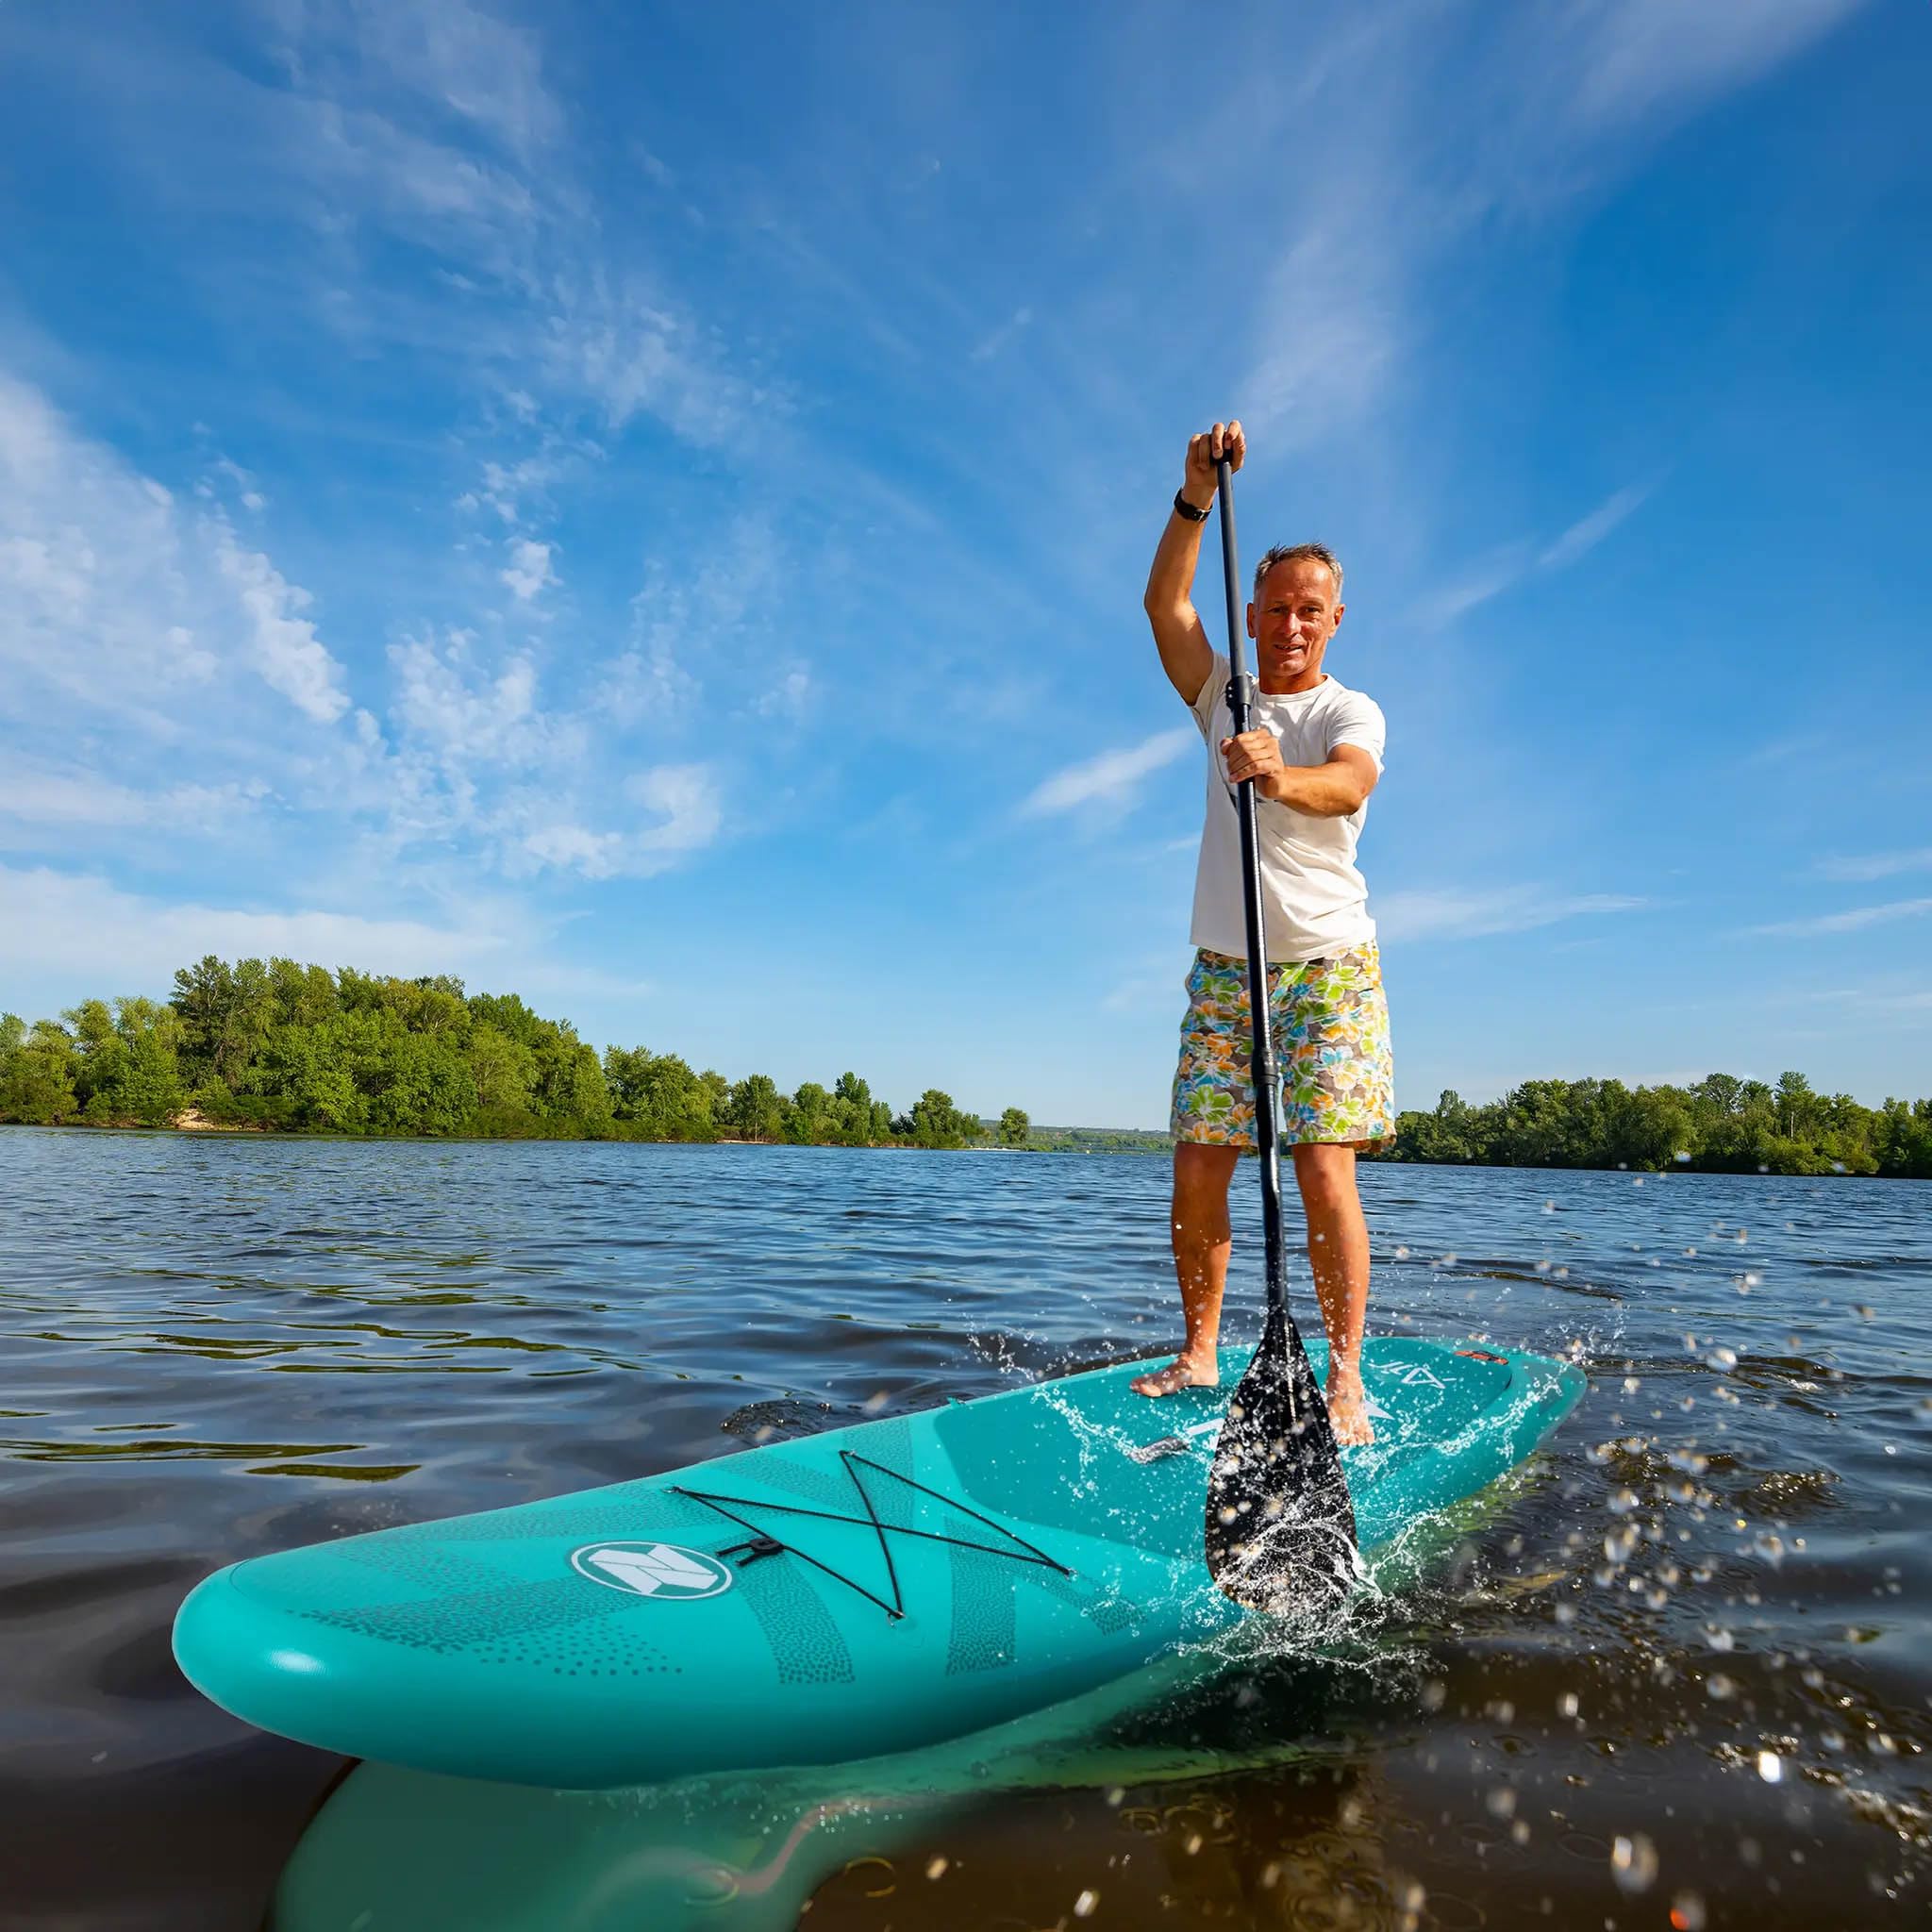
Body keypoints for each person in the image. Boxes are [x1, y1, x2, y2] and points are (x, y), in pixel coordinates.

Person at [1132, 419, 1394, 1446]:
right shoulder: (1222, 694)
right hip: (1225, 969)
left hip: (1328, 970)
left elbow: (1348, 786)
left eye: (1309, 611)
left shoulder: (1350, 710)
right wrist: (1194, 495)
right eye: (1276, 608)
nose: (1290, 625)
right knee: (1200, 1165)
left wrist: (1275, 774)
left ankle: (1344, 1376)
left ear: (1334, 621)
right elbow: (1165, 607)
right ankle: (1199, 1350)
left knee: (1325, 1169)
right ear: (1251, 614)